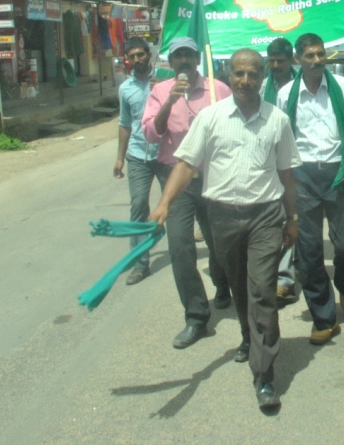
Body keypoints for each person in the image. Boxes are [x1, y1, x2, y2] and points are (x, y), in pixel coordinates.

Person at [149, 49, 299, 410]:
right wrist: (165, 203)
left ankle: (264, 375)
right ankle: (249, 337)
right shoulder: (211, 117)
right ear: (228, 76)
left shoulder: (277, 120)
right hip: (223, 217)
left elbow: (287, 174)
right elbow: (185, 164)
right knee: (238, 288)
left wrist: (292, 219)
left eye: (252, 74)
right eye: (239, 74)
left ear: (262, 77)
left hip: (265, 215)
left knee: (262, 289)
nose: (245, 81)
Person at [276, 33, 344, 345]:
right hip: (302, 177)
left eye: (321, 55)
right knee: (308, 253)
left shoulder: (343, 88)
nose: (318, 61)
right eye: (310, 56)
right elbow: (279, 141)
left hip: (340, 175)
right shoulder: (284, 95)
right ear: (297, 60)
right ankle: (323, 318)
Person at [141, 36, 232, 349]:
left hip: (213, 178)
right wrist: (169, 102)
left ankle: (222, 284)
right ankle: (196, 316)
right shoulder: (159, 91)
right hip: (176, 178)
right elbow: (152, 134)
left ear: (197, 59)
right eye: (177, 55)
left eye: (188, 55)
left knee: (219, 243)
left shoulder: (217, 89)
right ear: (170, 60)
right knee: (180, 247)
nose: (183, 61)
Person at [113, 37, 166, 286]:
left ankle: (180, 250)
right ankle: (140, 263)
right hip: (138, 156)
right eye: (132, 56)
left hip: (166, 153)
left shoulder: (166, 79)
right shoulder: (126, 89)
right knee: (138, 207)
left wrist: (164, 89)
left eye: (140, 55)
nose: (137, 60)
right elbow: (125, 124)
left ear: (149, 54)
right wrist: (119, 159)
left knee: (177, 206)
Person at [263, 37, 298, 305]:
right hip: (270, 160)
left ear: (291, 60)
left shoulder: (302, 82)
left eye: (281, 60)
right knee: (276, 218)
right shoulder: (263, 86)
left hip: (298, 161)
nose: (276, 65)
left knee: (293, 216)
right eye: (272, 60)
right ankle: (277, 276)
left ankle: (287, 277)